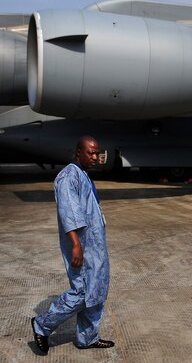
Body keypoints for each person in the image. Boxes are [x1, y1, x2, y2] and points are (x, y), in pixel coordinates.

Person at [30, 136, 114, 354]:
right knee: (82, 292)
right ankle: (42, 324)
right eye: (91, 153)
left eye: (97, 153)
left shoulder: (83, 174)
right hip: (82, 246)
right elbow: (69, 213)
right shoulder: (68, 176)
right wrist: (76, 245)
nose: (95, 157)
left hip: (95, 246)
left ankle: (87, 337)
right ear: (78, 152)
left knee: (96, 292)